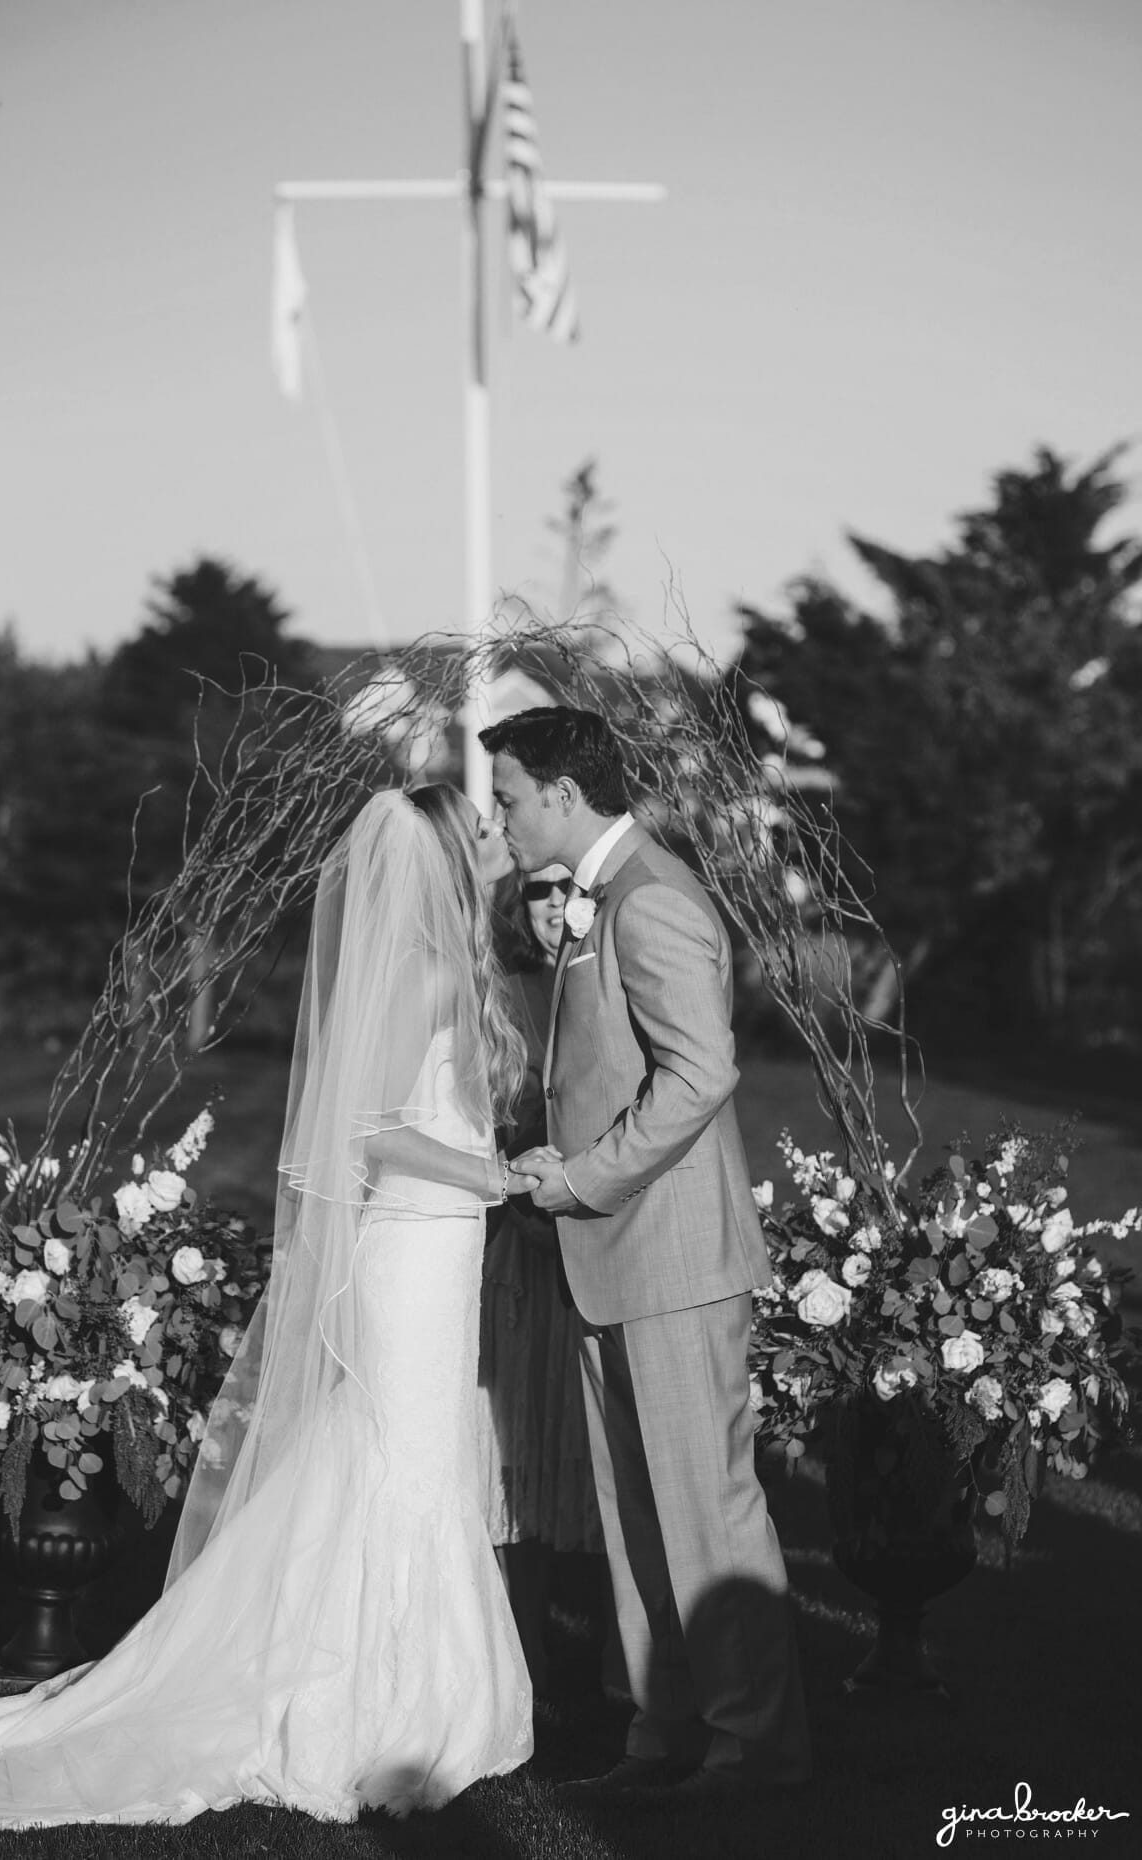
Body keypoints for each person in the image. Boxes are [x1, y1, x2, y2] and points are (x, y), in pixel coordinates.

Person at [0, 785, 539, 1829]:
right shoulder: (424, 977)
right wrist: (492, 1177)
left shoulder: (448, 972)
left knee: (415, 1457)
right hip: (410, 1256)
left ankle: (422, 1692)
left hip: (440, 1252)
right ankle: (362, 1702)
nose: (486, 842)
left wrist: (487, 1174)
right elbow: (363, 1133)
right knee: (397, 1458)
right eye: (471, 834)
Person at [481, 706, 811, 1806]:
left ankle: (748, 1751)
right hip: (607, 1254)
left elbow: (699, 1075)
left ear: (565, 796)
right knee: (634, 1513)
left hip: (667, 1256)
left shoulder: (653, 897)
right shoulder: (600, 900)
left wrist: (580, 1177)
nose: (504, 818)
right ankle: (661, 1733)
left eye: (512, 797)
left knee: (705, 1510)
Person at [477, 864, 606, 1693]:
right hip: (514, 1248)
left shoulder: (603, 982)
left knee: (591, 1453)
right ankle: (518, 1650)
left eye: (569, 889)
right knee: (514, 1447)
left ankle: (603, 1655)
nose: (558, 905)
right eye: (539, 891)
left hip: (596, 1241)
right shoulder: (502, 996)